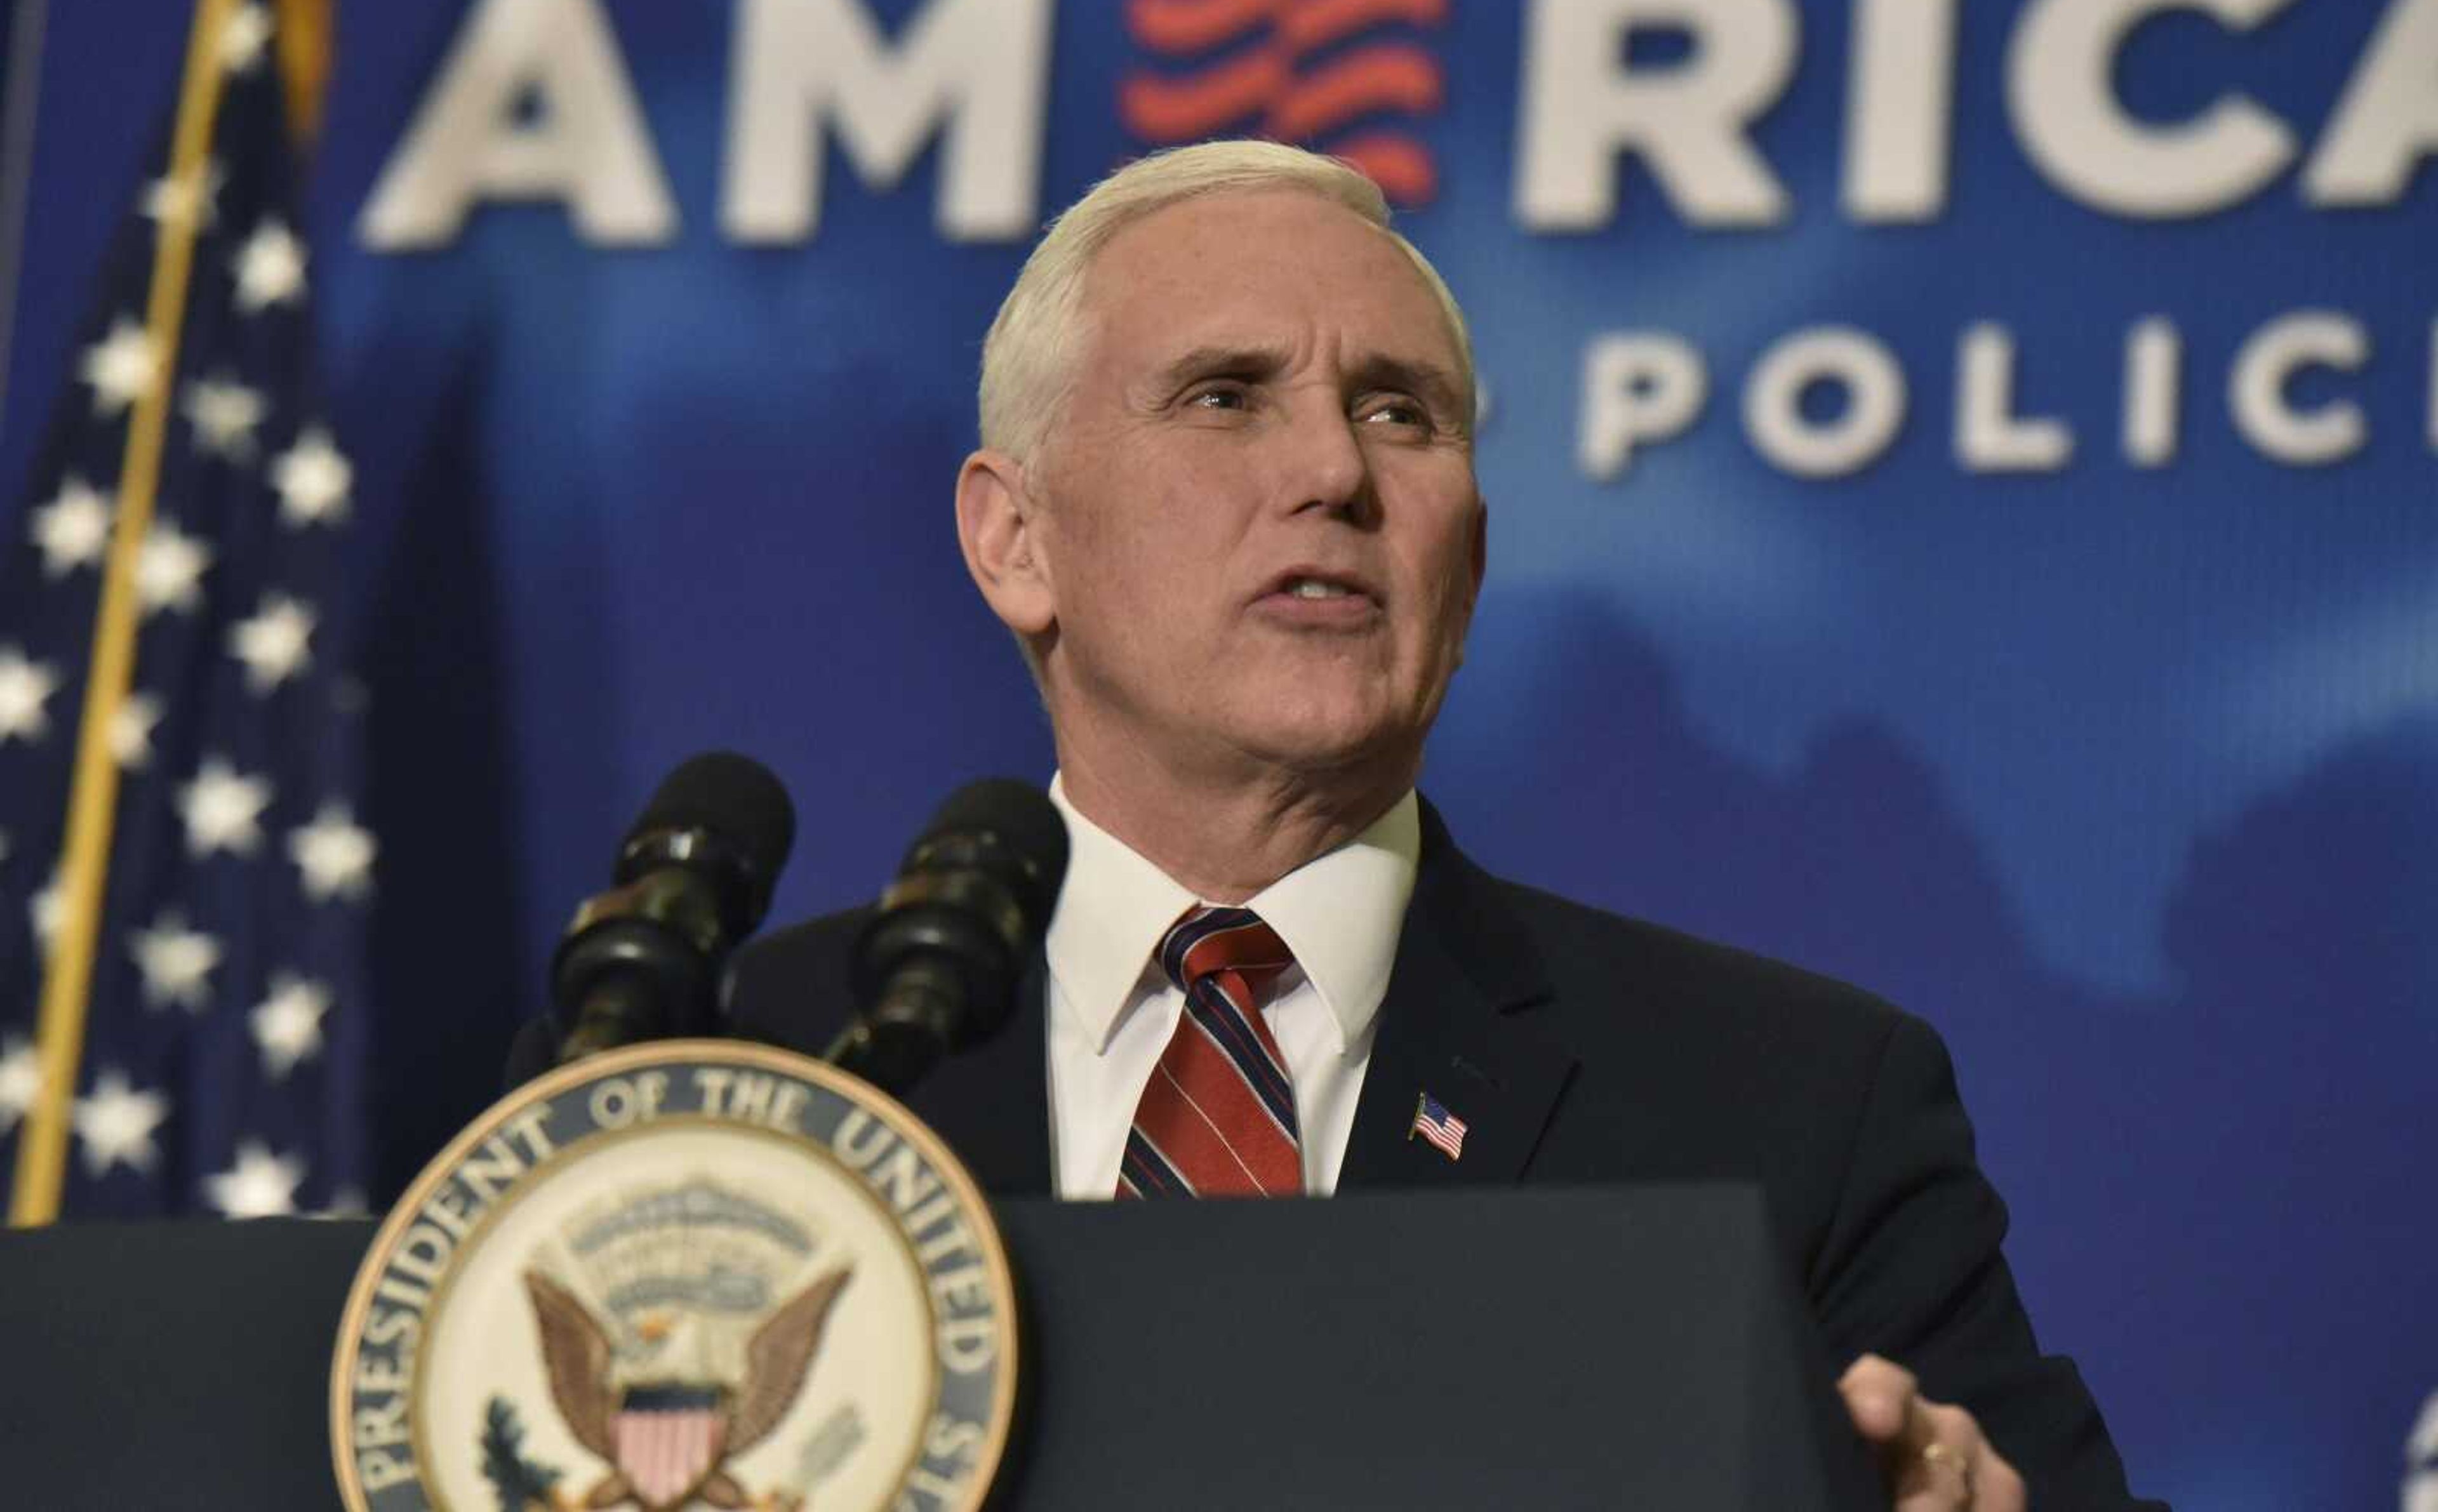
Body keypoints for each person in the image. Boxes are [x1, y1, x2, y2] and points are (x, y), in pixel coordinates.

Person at [677, 142, 2157, 1509]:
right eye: (1226, 396)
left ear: (1473, 562)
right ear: (1016, 537)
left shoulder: (1796, 1103)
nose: (1334, 473)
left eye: (1401, 412)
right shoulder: (733, 1080)